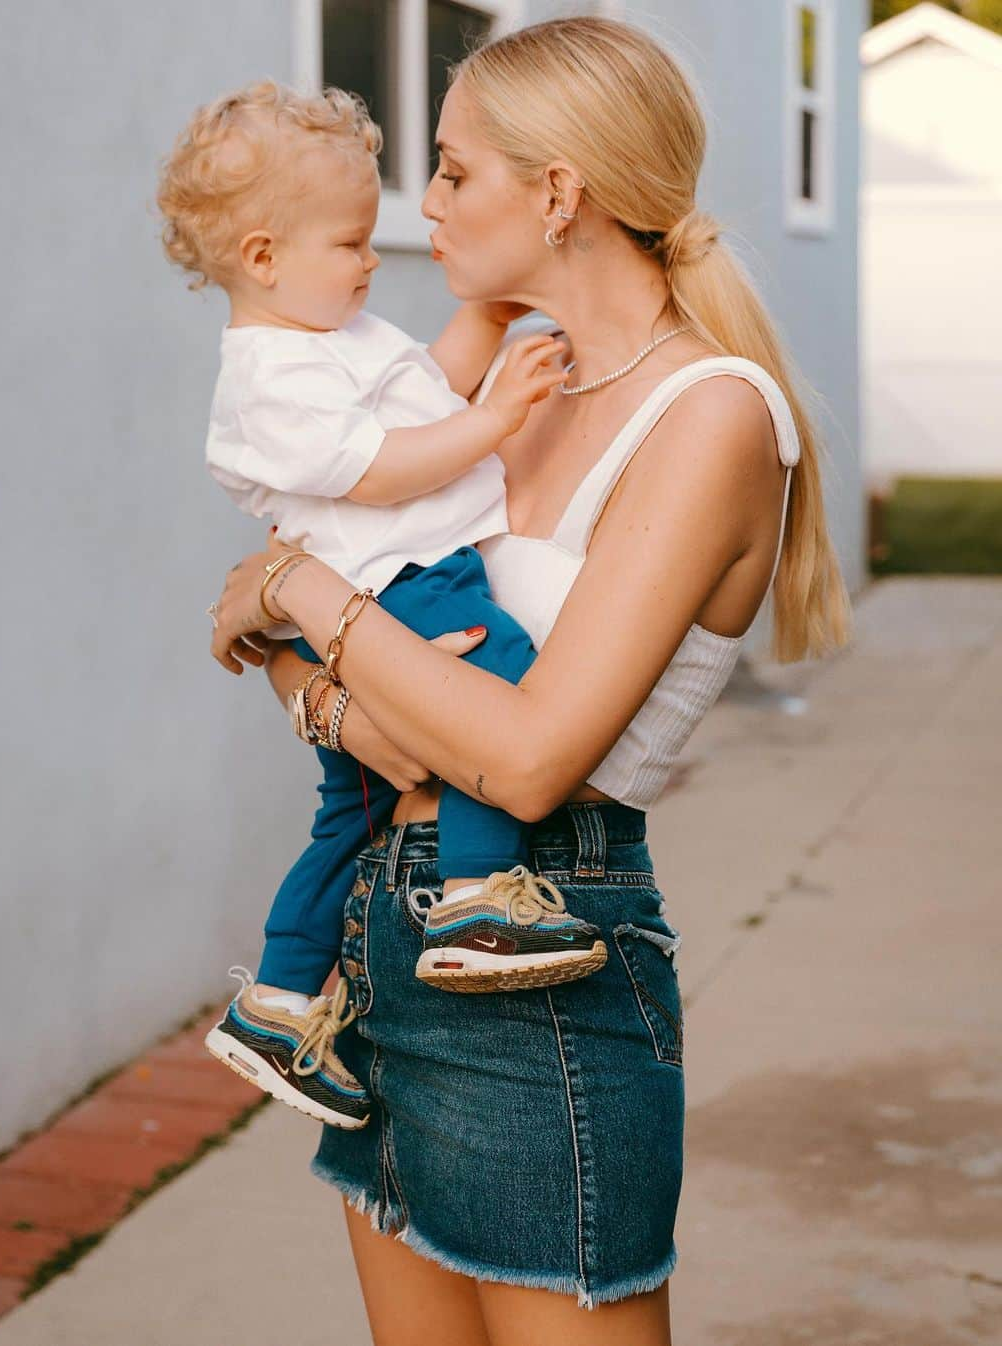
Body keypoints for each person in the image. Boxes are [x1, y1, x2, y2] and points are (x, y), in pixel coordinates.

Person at [207, 15, 850, 1344]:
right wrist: (328, 685)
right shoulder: (514, 380)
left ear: (557, 193)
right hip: (379, 944)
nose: (422, 203)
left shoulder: (711, 416)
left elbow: (526, 753)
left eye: (451, 171)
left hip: (537, 959)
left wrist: (295, 596)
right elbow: (325, 649)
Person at [155, 82, 611, 1131]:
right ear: (263, 257)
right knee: (501, 681)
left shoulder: (336, 331)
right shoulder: (268, 371)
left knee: (351, 813)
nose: (372, 259)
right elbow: (379, 470)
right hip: (402, 588)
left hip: (373, 595)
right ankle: (477, 898)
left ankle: (275, 1001)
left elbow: (423, 393)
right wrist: (499, 418)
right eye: (352, 241)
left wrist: (487, 318)